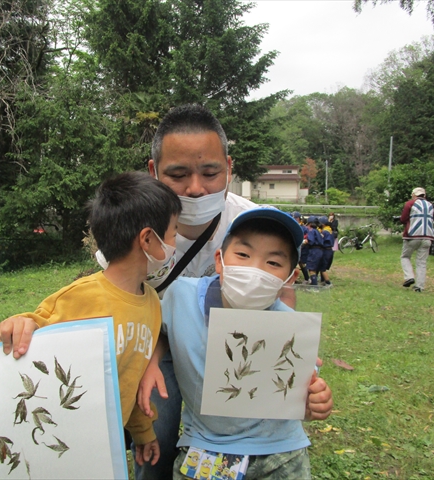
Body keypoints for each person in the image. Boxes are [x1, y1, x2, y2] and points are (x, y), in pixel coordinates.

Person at [137, 104, 315, 479]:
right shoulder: (135, 230)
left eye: (211, 172)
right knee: (155, 435)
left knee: (235, 421)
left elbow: (283, 296)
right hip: (161, 343)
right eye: (178, 174)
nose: (196, 188)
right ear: (154, 173)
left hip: (235, 349)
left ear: (229, 168)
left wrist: (293, 361)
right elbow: (112, 292)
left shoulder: (253, 224)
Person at [0, 171, 183, 467]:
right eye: (173, 232)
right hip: (60, 444)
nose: (175, 242)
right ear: (147, 239)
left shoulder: (153, 304)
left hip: (105, 446)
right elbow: (22, 338)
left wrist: (144, 432)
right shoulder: (80, 298)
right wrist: (17, 325)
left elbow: (130, 380)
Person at [139, 207, 333, 479]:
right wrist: (153, 362)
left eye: (273, 263)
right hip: (205, 448)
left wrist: (317, 401)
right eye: (243, 255)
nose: (255, 270)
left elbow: (303, 397)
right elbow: (159, 330)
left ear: (290, 279)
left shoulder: (290, 328)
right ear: (220, 260)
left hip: (280, 452)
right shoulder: (181, 296)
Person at [400, 187, 434, 292]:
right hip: (428, 236)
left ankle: (409, 277)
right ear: (424, 195)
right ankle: (419, 287)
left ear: (414, 195)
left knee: (405, 257)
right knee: (421, 262)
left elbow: (403, 219)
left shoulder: (410, 204)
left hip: (413, 236)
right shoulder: (430, 205)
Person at [305, 216, 324, 286]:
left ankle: (314, 286)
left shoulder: (311, 231)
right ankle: (313, 283)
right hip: (320, 251)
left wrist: (304, 242)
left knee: (311, 269)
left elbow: (311, 241)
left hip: (314, 251)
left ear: (309, 224)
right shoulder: (317, 231)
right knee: (315, 268)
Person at [291, 212, 309, 283]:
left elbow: (307, 236)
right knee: (293, 263)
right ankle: (292, 279)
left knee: (300, 263)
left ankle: (307, 278)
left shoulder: (303, 227)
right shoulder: (292, 226)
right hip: (293, 246)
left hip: (301, 246)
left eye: (295, 217)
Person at [318, 216, 334, 286]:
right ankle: (323, 281)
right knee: (322, 266)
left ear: (323, 224)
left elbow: (322, 241)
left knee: (322, 268)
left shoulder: (325, 232)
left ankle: (328, 282)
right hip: (330, 250)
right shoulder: (329, 230)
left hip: (326, 250)